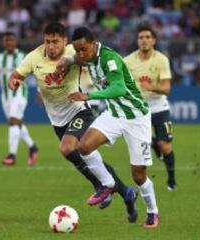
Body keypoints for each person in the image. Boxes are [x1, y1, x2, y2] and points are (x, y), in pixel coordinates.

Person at [8, 22, 138, 221]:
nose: (51, 46)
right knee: (90, 158)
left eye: (55, 42)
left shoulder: (75, 51)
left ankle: (100, 186)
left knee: (67, 148)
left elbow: (96, 55)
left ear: (65, 41)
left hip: (79, 111)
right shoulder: (34, 57)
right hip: (57, 119)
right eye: (47, 42)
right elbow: (16, 75)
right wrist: (15, 81)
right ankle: (126, 192)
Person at [57, 27, 159, 228]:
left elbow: (119, 88)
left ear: (94, 44)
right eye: (77, 50)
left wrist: (90, 96)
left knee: (138, 175)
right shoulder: (86, 56)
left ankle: (152, 211)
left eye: (84, 49)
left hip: (136, 117)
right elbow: (78, 59)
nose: (81, 54)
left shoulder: (109, 58)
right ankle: (108, 184)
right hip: (114, 114)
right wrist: (67, 61)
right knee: (84, 146)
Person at [123, 25, 177, 191]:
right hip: (138, 108)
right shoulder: (127, 61)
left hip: (159, 106)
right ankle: (152, 142)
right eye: (141, 37)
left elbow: (167, 88)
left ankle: (171, 178)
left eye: (147, 37)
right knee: (140, 143)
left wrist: (150, 86)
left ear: (153, 40)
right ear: (137, 41)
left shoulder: (161, 60)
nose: (144, 40)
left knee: (165, 146)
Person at [0, 32, 38, 166]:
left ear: (15, 42)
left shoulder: (24, 56)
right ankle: (32, 147)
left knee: (13, 121)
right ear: (3, 43)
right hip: (5, 96)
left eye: (11, 40)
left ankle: (11, 155)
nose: (9, 43)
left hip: (20, 93)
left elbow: (37, 72)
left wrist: (40, 90)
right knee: (17, 122)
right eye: (6, 41)